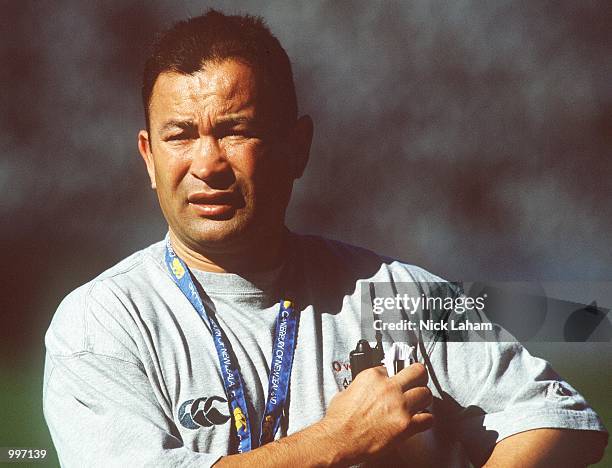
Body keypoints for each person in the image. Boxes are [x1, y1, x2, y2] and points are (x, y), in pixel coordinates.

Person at [43, 10, 607, 467]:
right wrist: (340, 439)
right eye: (180, 136)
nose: (207, 163)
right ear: (148, 155)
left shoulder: (399, 293)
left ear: (298, 146)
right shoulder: (100, 322)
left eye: (236, 130)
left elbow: (564, 421)